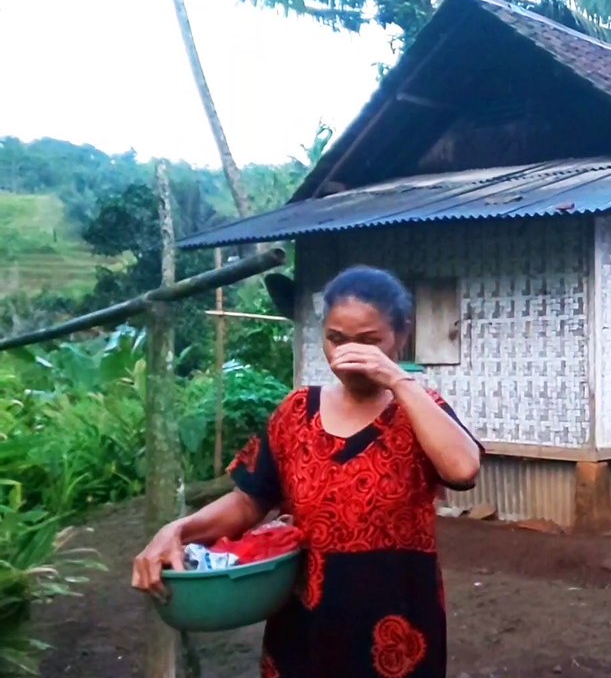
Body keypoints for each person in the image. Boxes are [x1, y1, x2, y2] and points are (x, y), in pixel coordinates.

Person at [132, 266, 483, 677]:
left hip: (398, 626)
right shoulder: (296, 412)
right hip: (305, 623)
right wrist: (180, 530)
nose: (348, 356)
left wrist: (399, 381)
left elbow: (463, 470)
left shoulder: (421, 411)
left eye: (369, 342)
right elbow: (249, 499)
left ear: (401, 335)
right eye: (336, 339)